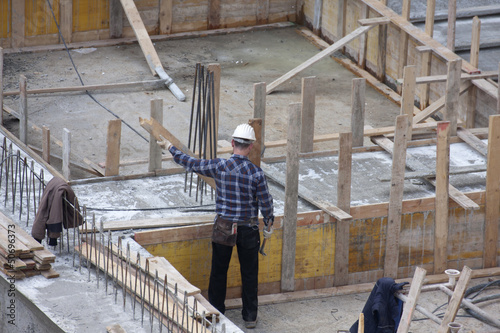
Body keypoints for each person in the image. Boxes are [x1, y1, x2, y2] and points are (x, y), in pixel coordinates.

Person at [158, 124, 274, 329]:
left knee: (219, 272)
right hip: (248, 229)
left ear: (232, 143)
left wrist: (170, 148)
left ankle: (216, 313)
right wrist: (269, 222)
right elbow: (265, 202)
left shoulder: (220, 166)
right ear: (251, 147)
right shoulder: (256, 173)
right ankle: (250, 318)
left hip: (223, 226)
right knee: (249, 273)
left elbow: (192, 163)